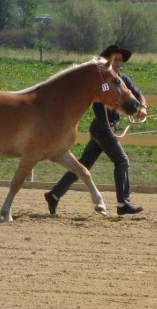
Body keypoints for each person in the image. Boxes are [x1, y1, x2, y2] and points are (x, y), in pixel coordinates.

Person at [44, 44, 148, 216]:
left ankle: (54, 195)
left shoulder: (123, 80)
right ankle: (123, 203)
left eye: (120, 60)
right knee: (122, 161)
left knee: (82, 165)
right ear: (108, 60)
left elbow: (138, 94)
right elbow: (103, 95)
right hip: (102, 126)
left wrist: (142, 107)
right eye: (115, 59)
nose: (118, 62)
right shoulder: (105, 83)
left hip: (107, 127)